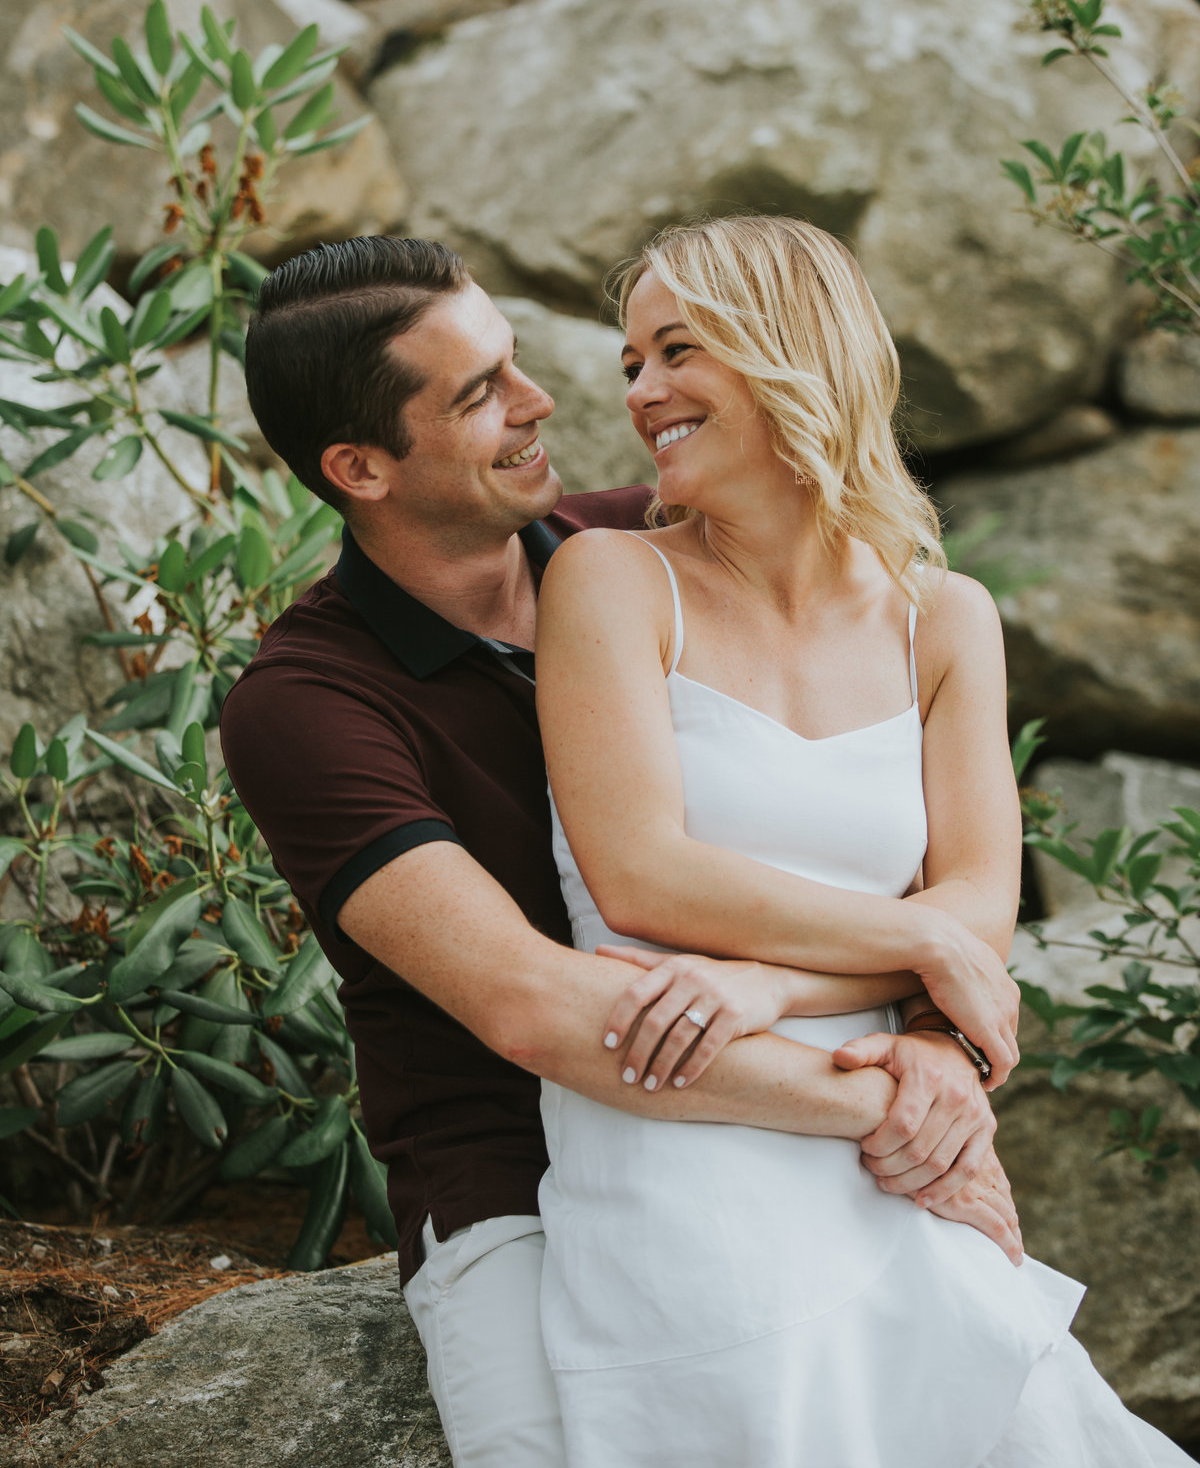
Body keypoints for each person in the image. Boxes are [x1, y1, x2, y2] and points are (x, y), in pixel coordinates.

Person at [221, 234, 1023, 1468]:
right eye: (480, 392)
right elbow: (537, 1010)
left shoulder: (662, 544)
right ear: (359, 467)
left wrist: (939, 1047)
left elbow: (933, 881)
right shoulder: (307, 705)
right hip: (513, 1183)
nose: (545, 402)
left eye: (519, 363)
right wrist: (904, 1108)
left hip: (788, 1089)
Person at [533, 213, 1189, 1467]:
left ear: (790, 352)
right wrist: (923, 955)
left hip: (893, 1103)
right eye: (631, 365)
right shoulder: (611, 581)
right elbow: (644, 874)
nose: (640, 392)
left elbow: (982, 908)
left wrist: (784, 985)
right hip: (684, 1108)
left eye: (676, 351)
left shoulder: (945, 615)